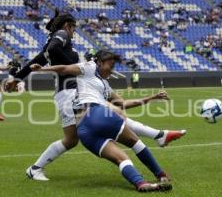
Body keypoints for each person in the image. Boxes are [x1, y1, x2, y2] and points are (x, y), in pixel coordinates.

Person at [29, 50, 174, 192]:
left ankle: (140, 183)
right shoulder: (90, 67)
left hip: (84, 130)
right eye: (110, 66)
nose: (112, 70)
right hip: (97, 114)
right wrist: (42, 69)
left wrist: (150, 98)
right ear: (99, 62)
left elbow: (122, 103)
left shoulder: (105, 86)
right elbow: (65, 68)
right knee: (136, 143)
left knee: (122, 159)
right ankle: (160, 174)